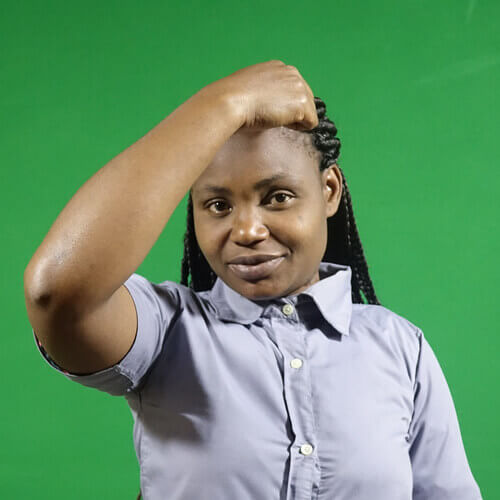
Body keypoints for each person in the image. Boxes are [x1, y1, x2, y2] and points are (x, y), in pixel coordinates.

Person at [24, 60, 482, 500]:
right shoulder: (167, 332)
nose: (246, 231)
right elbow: (57, 292)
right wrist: (225, 102)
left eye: (278, 197)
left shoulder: (400, 349)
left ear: (329, 191)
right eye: (218, 205)